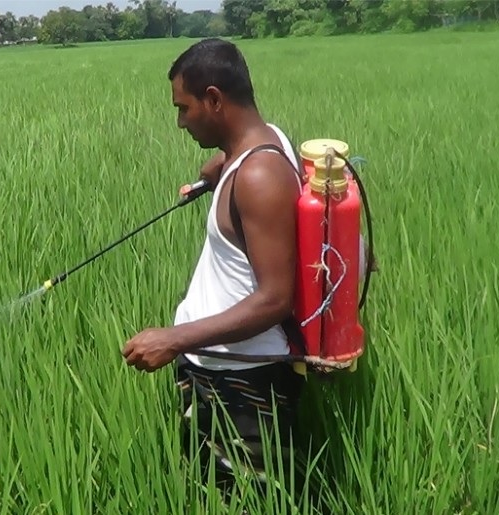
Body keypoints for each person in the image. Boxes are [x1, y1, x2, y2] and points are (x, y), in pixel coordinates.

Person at [120, 38, 307, 498]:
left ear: (215, 100)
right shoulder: (266, 140)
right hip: (220, 372)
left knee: (246, 499)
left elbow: (275, 298)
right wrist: (215, 171)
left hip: (244, 385)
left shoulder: (259, 178)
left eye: (184, 108)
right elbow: (237, 157)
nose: (180, 121)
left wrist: (173, 338)